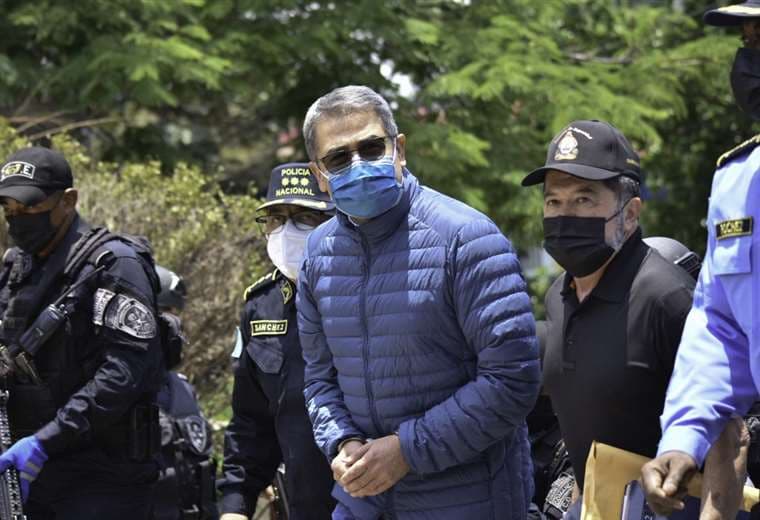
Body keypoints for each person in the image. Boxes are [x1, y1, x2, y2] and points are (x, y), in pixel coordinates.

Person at [297, 85, 541, 519]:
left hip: (466, 503)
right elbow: (319, 379)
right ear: (319, 175)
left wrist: (407, 450)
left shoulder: (467, 239)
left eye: (371, 148)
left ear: (400, 150)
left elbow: (513, 380)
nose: (358, 165)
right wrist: (341, 442)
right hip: (363, 503)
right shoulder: (318, 254)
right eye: (338, 158)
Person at [520, 120, 696, 517]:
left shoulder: (666, 298)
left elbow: (732, 428)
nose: (565, 215)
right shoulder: (558, 296)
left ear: (630, 213)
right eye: (554, 202)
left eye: (584, 199)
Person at [642, 2, 760, 517]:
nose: (750, 61)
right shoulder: (738, 180)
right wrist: (684, 438)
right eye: (749, 42)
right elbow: (720, 324)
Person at [0, 147, 164, 518]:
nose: (16, 218)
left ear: (68, 200)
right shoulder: (19, 267)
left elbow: (123, 375)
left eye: (29, 206)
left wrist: (46, 441)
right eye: (9, 208)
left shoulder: (113, 265)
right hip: (32, 475)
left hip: (102, 480)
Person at [218, 162, 336, 520]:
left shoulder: (366, 293)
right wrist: (235, 505)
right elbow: (250, 422)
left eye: (304, 218)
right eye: (276, 219)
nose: (287, 232)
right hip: (302, 505)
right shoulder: (261, 306)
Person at [151, 265, 218, 520]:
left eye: (175, 314)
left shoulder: (182, 388)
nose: (173, 325)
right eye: (164, 313)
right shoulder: (115, 391)